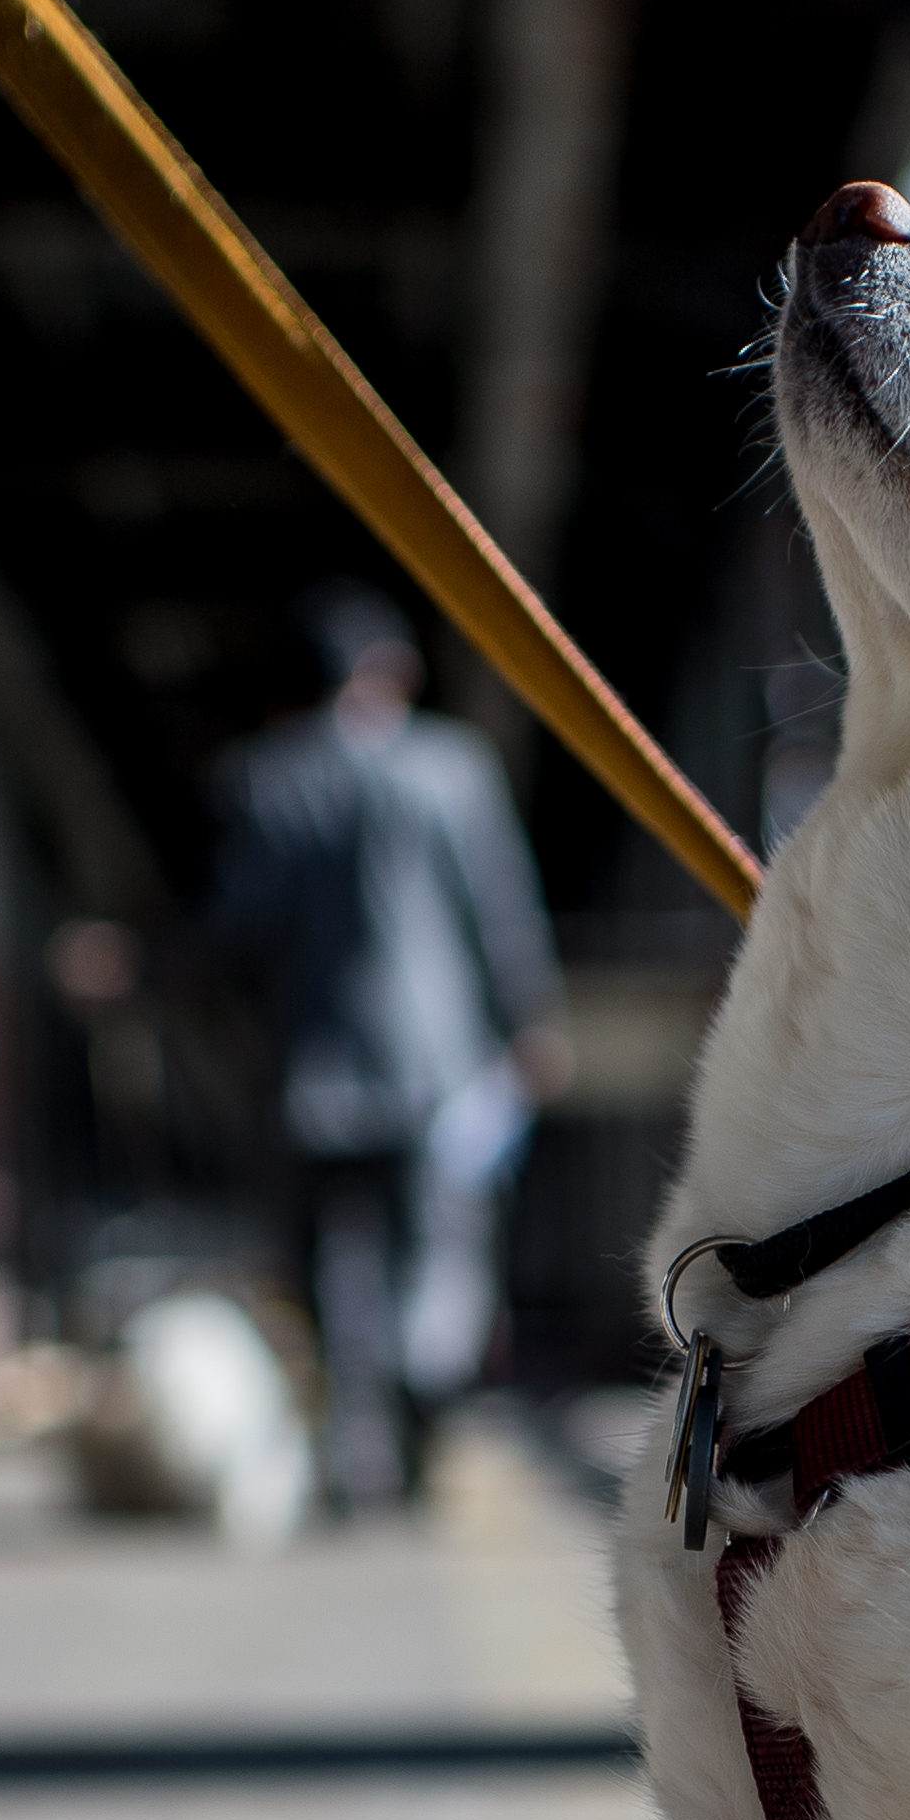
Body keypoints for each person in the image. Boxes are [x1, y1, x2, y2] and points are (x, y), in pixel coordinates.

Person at [211, 583, 567, 1513]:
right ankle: (423, 1386)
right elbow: (500, 910)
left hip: (312, 1071)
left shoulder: (265, 779)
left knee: (337, 1263)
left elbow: (236, 933)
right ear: (393, 674)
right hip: (441, 1071)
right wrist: (530, 1021)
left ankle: (357, 1453)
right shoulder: (453, 770)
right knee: (442, 1251)